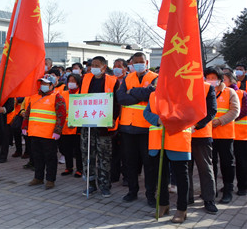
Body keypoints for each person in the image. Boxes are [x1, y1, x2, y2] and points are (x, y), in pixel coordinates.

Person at [116, 52, 157, 206]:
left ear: (146, 62)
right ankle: (132, 191)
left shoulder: (155, 77)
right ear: (132, 63)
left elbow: (153, 94)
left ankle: (150, 195)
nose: (139, 64)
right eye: (136, 62)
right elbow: (121, 98)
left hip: (147, 128)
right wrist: (141, 94)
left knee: (149, 164)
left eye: (141, 61)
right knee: (130, 163)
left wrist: (131, 92)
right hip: (128, 127)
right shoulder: (128, 78)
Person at [144, 95, 192, 224]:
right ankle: (163, 204)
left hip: (178, 141)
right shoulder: (154, 94)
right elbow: (146, 112)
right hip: (158, 141)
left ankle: (182, 209)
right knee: (161, 175)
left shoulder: (185, 93)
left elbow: (191, 113)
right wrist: (158, 120)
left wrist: (171, 120)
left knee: (181, 177)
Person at [80, 56, 120, 197]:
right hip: (87, 124)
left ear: (104, 67)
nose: (93, 67)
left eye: (97, 65)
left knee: (104, 157)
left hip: (104, 125)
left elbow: (117, 102)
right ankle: (90, 184)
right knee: (87, 155)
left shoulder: (112, 81)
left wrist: (114, 118)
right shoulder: (85, 79)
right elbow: (79, 99)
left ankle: (105, 185)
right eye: (92, 65)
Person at [22, 75, 66, 189]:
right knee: (37, 157)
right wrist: (25, 126)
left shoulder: (57, 97)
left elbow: (61, 115)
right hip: (34, 132)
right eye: (42, 83)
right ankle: (38, 177)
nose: (43, 86)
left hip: (49, 134)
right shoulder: (34, 97)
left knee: (50, 158)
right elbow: (28, 113)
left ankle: (50, 179)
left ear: (52, 85)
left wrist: (58, 131)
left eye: (46, 84)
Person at [206, 66, 240, 204]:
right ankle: (211, 190)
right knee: (211, 164)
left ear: (220, 80)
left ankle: (227, 190)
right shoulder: (203, 92)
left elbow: (235, 111)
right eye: (208, 78)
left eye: (213, 78)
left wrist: (219, 121)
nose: (210, 81)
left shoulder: (230, 92)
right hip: (208, 135)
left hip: (225, 134)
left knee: (227, 163)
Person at [187, 82, 218, 214]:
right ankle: (186, 197)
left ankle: (209, 199)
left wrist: (197, 126)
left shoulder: (207, 87)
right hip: (183, 135)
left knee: (205, 168)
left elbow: (212, 111)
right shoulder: (179, 84)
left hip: (202, 135)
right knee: (185, 169)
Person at [227, 72, 247, 195]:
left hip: (241, 134)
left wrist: (232, 117)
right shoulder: (219, 94)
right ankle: (228, 186)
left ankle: (242, 186)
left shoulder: (241, 93)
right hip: (226, 133)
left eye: (224, 79)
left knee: (241, 161)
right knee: (229, 162)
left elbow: (244, 109)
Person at [60, 73, 83, 178]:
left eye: (73, 81)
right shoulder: (63, 94)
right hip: (65, 127)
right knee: (66, 149)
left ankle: (80, 169)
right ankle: (68, 167)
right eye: (69, 81)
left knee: (78, 150)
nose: (71, 83)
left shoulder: (82, 94)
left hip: (77, 127)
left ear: (78, 83)